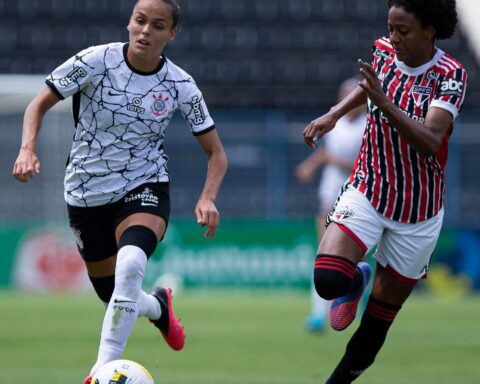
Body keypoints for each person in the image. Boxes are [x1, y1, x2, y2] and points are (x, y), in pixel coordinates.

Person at [12, 0, 228, 382]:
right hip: (85, 193)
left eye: (157, 25)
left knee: (131, 266)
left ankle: (98, 372)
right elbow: (38, 104)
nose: (146, 31)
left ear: (171, 34)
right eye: (140, 21)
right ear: (130, 23)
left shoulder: (181, 85)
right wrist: (27, 148)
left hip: (144, 184)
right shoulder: (96, 60)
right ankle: (158, 307)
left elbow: (216, 153)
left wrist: (207, 196)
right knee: (114, 296)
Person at [303, 0, 467, 382]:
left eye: (403, 31)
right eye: (390, 28)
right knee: (328, 280)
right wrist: (334, 113)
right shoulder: (384, 50)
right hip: (368, 188)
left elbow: (430, 139)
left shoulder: (450, 75)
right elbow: (371, 85)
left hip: (418, 212)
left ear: (430, 31)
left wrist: (385, 104)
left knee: (375, 327)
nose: (393, 38)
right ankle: (356, 278)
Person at [295, 78, 366, 332]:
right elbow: (325, 152)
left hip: (360, 195)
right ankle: (317, 315)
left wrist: (335, 161)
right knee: (323, 254)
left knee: (356, 257)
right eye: (344, 95)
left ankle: (356, 300)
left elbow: (365, 163)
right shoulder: (334, 125)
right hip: (330, 193)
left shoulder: (368, 126)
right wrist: (309, 166)